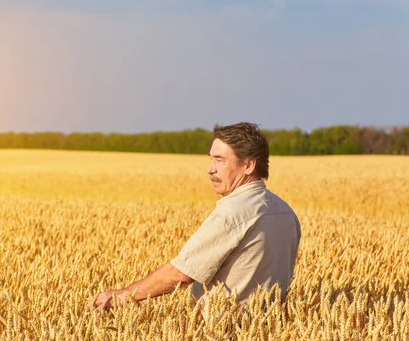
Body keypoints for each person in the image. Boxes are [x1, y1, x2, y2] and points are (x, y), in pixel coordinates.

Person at [87, 122, 301, 311]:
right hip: (268, 328)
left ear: (248, 165)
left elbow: (182, 273)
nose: (210, 169)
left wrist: (122, 295)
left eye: (219, 160)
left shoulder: (232, 213)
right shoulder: (286, 212)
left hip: (223, 329)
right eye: (211, 159)